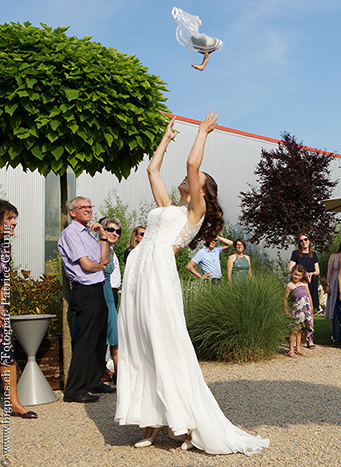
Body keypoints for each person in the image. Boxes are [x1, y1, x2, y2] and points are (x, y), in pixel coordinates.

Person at [115, 112, 268, 455]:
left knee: (163, 340)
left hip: (158, 270)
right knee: (139, 341)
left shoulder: (194, 212)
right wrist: (165, 139)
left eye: (194, 177)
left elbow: (191, 162)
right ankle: (150, 422)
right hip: (139, 268)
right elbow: (151, 170)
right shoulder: (168, 207)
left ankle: (185, 425)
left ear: (201, 188)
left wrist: (202, 132)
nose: (187, 178)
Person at [58, 196, 113, 402]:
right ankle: (74, 389)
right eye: (83, 208)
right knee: (86, 339)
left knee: (99, 337)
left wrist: (103, 236)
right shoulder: (71, 234)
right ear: (72, 212)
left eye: (90, 207)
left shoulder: (90, 234)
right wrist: (99, 265)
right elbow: (88, 266)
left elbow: (105, 260)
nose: (88, 210)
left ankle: (93, 381)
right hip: (85, 290)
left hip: (97, 288)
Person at [0, 200, 37, 419]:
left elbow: (3, 279)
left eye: (15, 218)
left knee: (7, 354)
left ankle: (14, 404)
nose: (14, 223)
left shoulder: (5, 245)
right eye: (9, 218)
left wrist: (3, 308)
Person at [99, 217, 122, 383]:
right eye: (110, 230)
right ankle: (106, 372)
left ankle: (117, 374)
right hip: (102, 292)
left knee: (113, 336)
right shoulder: (99, 246)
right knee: (108, 336)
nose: (114, 233)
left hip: (112, 293)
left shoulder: (112, 250)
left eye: (117, 231)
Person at [288, 233, 319, 349]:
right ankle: (296, 340)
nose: (304, 242)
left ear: (309, 241)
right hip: (298, 285)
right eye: (301, 240)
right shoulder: (295, 254)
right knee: (297, 313)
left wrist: (311, 273)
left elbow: (318, 271)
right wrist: (301, 275)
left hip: (310, 284)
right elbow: (290, 269)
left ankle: (310, 339)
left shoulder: (313, 255)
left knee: (310, 312)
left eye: (306, 239)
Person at [284, 265, 313, 357]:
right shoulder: (289, 286)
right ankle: (291, 349)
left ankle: (298, 349)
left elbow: (309, 296)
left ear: (302, 276)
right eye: (295, 274)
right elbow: (285, 299)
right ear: (292, 273)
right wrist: (286, 310)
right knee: (294, 330)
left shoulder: (304, 284)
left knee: (300, 330)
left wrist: (311, 308)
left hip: (305, 311)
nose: (296, 277)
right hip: (295, 311)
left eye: (299, 275)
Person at [325, 237, 341, 343]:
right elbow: (329, 271)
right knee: (332, 306)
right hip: (334, 282)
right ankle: (333, 332)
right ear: (340, 245)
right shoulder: (333, 256)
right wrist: (327, 285)